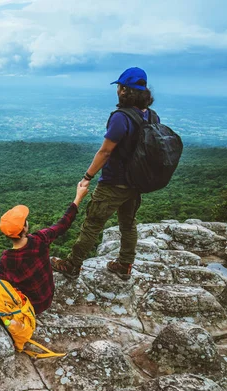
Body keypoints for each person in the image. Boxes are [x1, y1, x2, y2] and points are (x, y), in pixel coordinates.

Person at [51, 67, 157, 281]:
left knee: (93, 223)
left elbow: (106, 151)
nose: (117, 90)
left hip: (114, 182)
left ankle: (72, 265)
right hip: (136, 183)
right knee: (128, 224)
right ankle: (125, 265)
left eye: (120, 87)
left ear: (125, 90)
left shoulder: (121, 117)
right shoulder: (152, 116)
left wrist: (87, 176)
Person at [0, 182, 88, 315]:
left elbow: (8, 280)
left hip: (31, 306)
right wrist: (78, 197)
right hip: (47, 297)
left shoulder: (7, 259)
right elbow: (63, 224)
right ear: (24, 228)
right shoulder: (40, 239)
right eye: (25, 220)